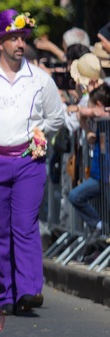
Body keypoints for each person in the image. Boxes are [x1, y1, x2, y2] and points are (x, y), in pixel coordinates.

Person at [0, 9, 66, 315]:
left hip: (28, 160)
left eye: (23, 38)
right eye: (13, 38)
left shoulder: (40, 80)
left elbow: (56, 117)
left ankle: (30, 289)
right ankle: (7, 293)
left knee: (25, 225)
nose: (20, 43)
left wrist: (40, 135)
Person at [67, 84, 109, 235]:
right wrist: (86, 126)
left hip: (107, 177)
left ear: (98, 105)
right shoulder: (101, 121)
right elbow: (91, 137)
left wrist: (81, 109)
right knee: (75, 196)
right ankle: (99, 226)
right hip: (98, 177)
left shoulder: (105, 118)